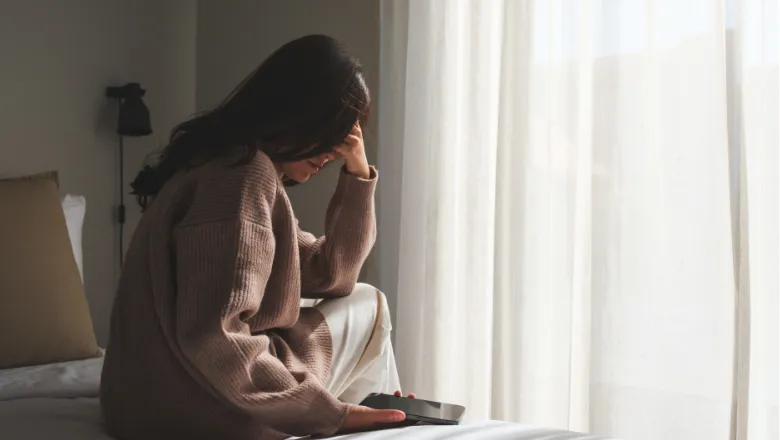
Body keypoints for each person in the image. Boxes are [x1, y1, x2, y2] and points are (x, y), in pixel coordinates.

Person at [100, 35, 411, 440]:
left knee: (356, 297)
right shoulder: (240, 178)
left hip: (149, 405)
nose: (334, 151)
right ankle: (376, 423)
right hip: (202, 412)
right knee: (370, 303)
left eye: (344, 138)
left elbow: (331, 274)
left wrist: (358, 171)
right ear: (299, 114)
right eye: (332, 133)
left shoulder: (221, 164)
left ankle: (376, 416)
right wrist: (325, 413)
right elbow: (214, 335)